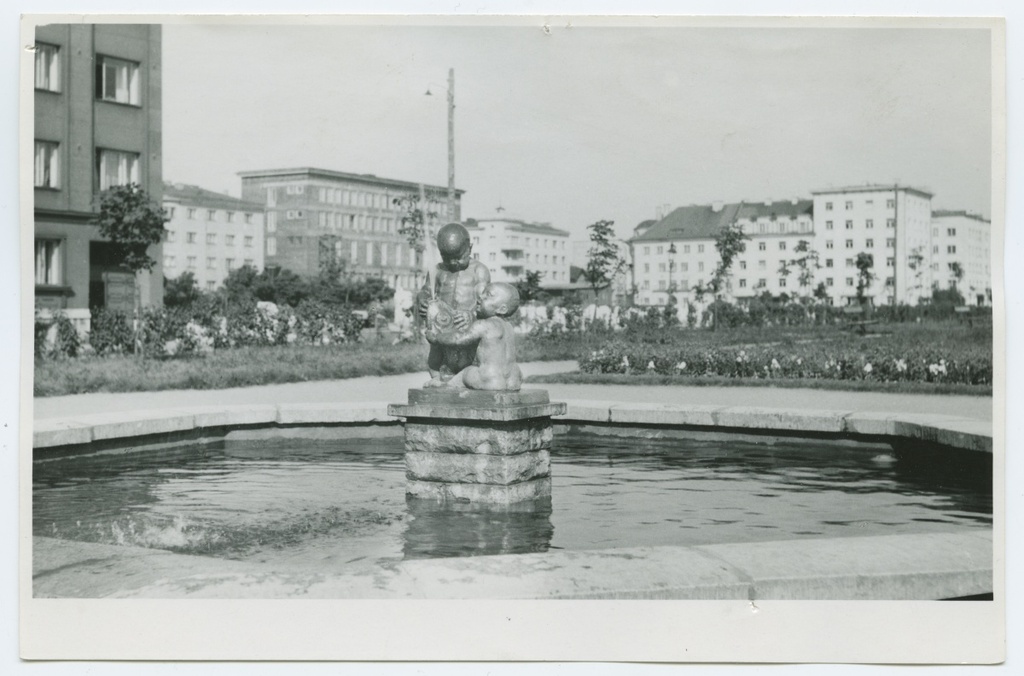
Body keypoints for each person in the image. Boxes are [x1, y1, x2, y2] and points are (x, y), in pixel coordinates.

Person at [417, 222, 491, 385]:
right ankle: (438, 382)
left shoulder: (479, 270)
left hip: (467, 327)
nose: (453, 263)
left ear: (470, 248)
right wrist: (423, 300)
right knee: (436, 357)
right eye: (447, 258)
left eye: (459, 258)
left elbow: (485, 301)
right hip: (441, 326)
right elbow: (425, 290)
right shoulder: (437, 270)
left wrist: (471, 314)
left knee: (471, 358)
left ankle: (468, 381)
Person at [425, 282, 523, 391]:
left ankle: (446, 386)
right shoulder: (508, 326)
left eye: (489, 295)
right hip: (513, 378)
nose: (481, 296)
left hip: (489, 378)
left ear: (502, 309)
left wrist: (436, 337)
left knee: (466, 372)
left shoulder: (484, 324)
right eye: (483, 293)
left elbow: (459, 339)